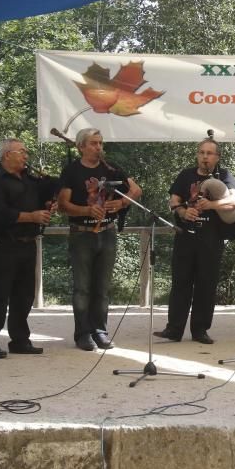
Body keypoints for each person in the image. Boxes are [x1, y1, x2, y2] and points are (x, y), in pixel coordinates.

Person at [57, 128, 141, 351]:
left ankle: (100, 331)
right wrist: (87, 210)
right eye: (93, 143)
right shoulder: (71, 171)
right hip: (81, 233)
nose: (98, 147)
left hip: (108, 232)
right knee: (82, 287)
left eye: (100, 143)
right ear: (81, 146)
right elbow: (63, 205)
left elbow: (135, 190)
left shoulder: (111, 168)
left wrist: (122, 203)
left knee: (102, 287)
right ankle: (83, 333)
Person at [154, 139, 235, 344]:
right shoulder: (186, 175)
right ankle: (174, 329)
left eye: (209, 153)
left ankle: (200, 330)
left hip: (211, 237)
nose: (205, 157)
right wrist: (184, 211)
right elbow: (173, 201)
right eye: (201, 152)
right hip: (186, 236)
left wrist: (211, 204)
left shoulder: (225, 176)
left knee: (206, 284)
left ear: (217, 157)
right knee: (180, 282)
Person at [0, 138, 58, 358]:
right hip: (5, 244)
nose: (25, 155)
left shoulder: (31, 182)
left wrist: (48, 206)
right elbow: (0, 213)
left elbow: (44, 202)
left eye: (26, 152)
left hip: (28, 244)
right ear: (6, 156)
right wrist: (31, 216)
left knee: (24, 295)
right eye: (21, 151)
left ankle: (20, 339)